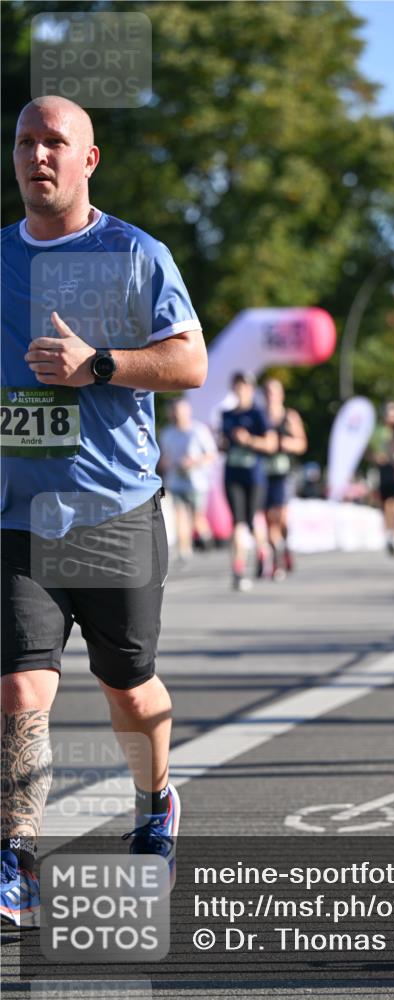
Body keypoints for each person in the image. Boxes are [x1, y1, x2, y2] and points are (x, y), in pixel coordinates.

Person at [1, 97, 207, 927]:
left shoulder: (133, 253)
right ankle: (16, 860)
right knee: (19, 689)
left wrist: (98, 364)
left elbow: (189, 361)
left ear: (90, 160)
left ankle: (156, 797)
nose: (37, 156)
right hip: (19, 515)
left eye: (56, 143)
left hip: (114, 507)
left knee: (127, 686)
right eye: (25, 142)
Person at [220, 371, 276, 591]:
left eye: (244, 386)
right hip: (233, 473)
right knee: (238, 523)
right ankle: (238, 570)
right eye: (237, 386)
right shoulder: (227, 415)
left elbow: (271, 444)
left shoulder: (258, 414)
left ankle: (264, 552)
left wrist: (249, 440)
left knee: (253, 520)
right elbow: (223, 444)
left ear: (251, 389)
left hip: (255, 475)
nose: (240, 390)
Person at [159, 397, 217, 564]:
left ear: (188, 412)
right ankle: (185, 551)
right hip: (176, 480)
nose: (178, 416)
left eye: (181, 412)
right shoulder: (167, 433)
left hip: (197, 482)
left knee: (197, 518)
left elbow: (211, 454)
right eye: (175, 412)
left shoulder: (198, 431)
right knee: (180, 515)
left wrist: (194, 462)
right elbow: (164, 457)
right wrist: (164, 463)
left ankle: (206, 538)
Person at [262, 378, 307, 579]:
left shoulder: (289, 417)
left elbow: (301, 444)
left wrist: (282, 443)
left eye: (274, 392)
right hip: (265, 472)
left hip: (285, 473)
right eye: (267, 393)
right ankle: (276, 558)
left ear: (281, 395)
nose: (270, 397)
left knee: (281, 517)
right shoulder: (260, 416)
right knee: (269, 518)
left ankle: (285, 545)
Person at [368, 400, 394, 555]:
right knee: (388, 504)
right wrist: (375, 457)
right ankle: (391, 534)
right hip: (385, 470)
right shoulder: (378, 430)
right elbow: (368, 449)